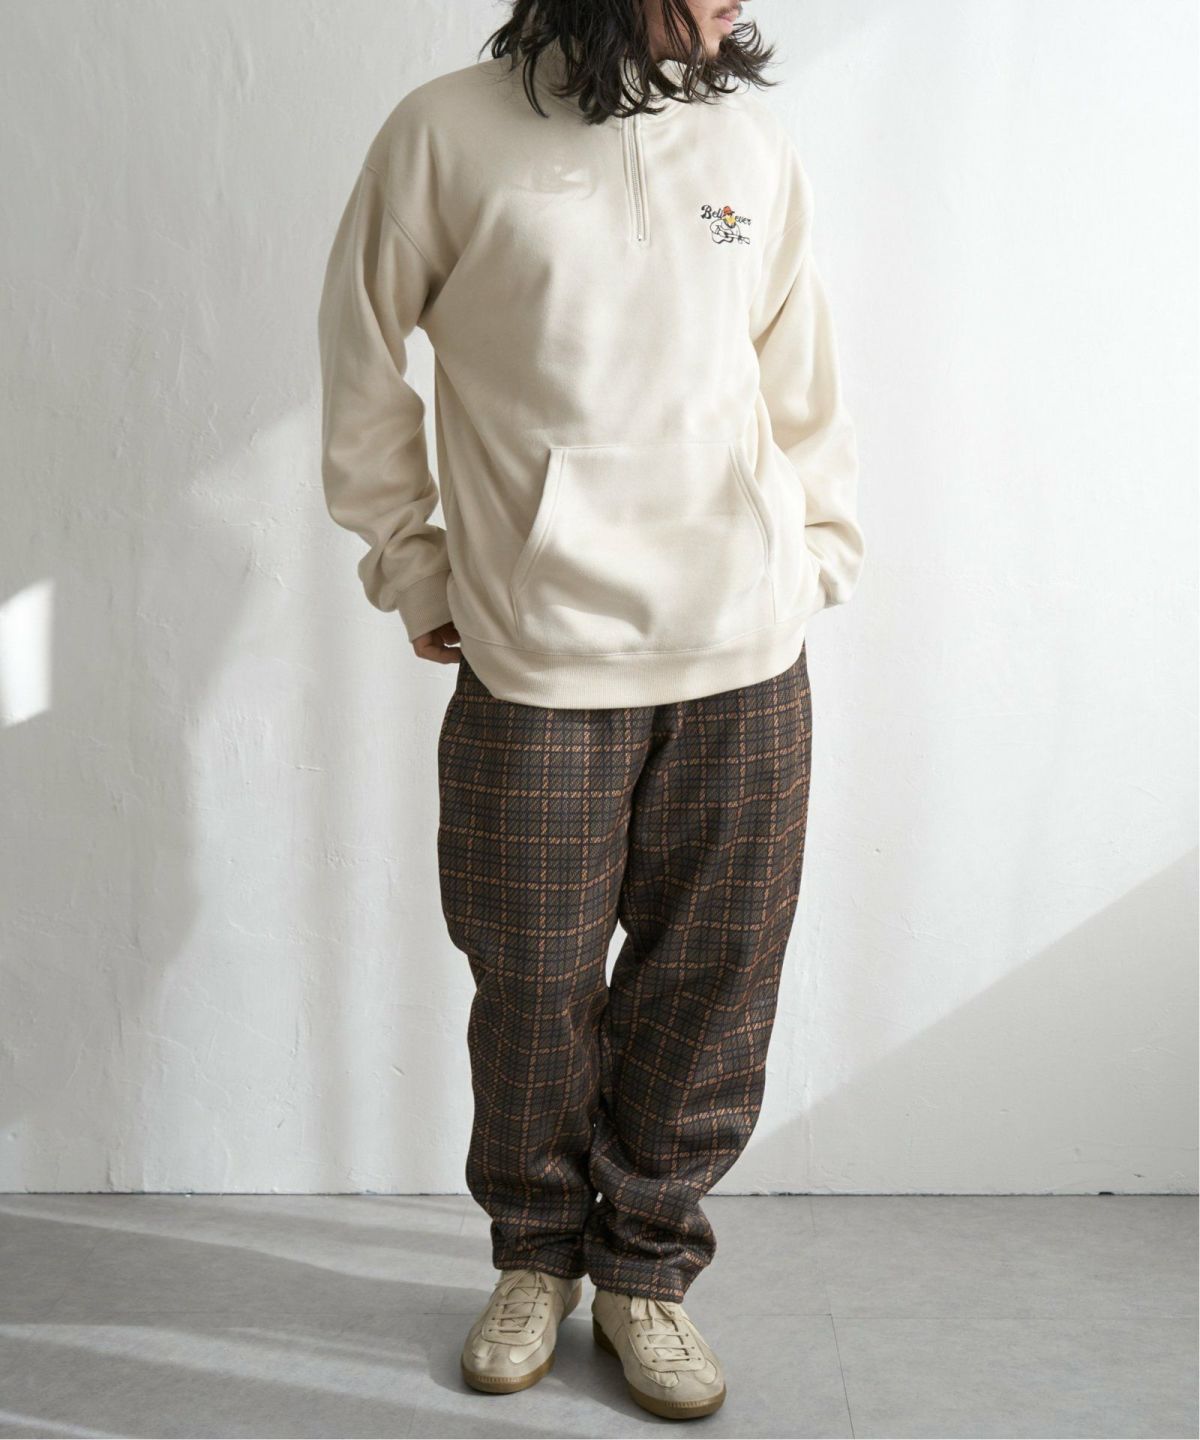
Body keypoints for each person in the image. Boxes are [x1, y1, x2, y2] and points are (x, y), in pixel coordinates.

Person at [317, 0, 864, 1420]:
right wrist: (412, 561)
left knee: (715, 980)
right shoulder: (444, 136)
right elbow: (361, 362)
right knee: (534, 987)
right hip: (540, 657)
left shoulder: (749, 143)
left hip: (745, 652)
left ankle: (646, 1275)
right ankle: (535, 1257)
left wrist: (814, 557)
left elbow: (799, 376)